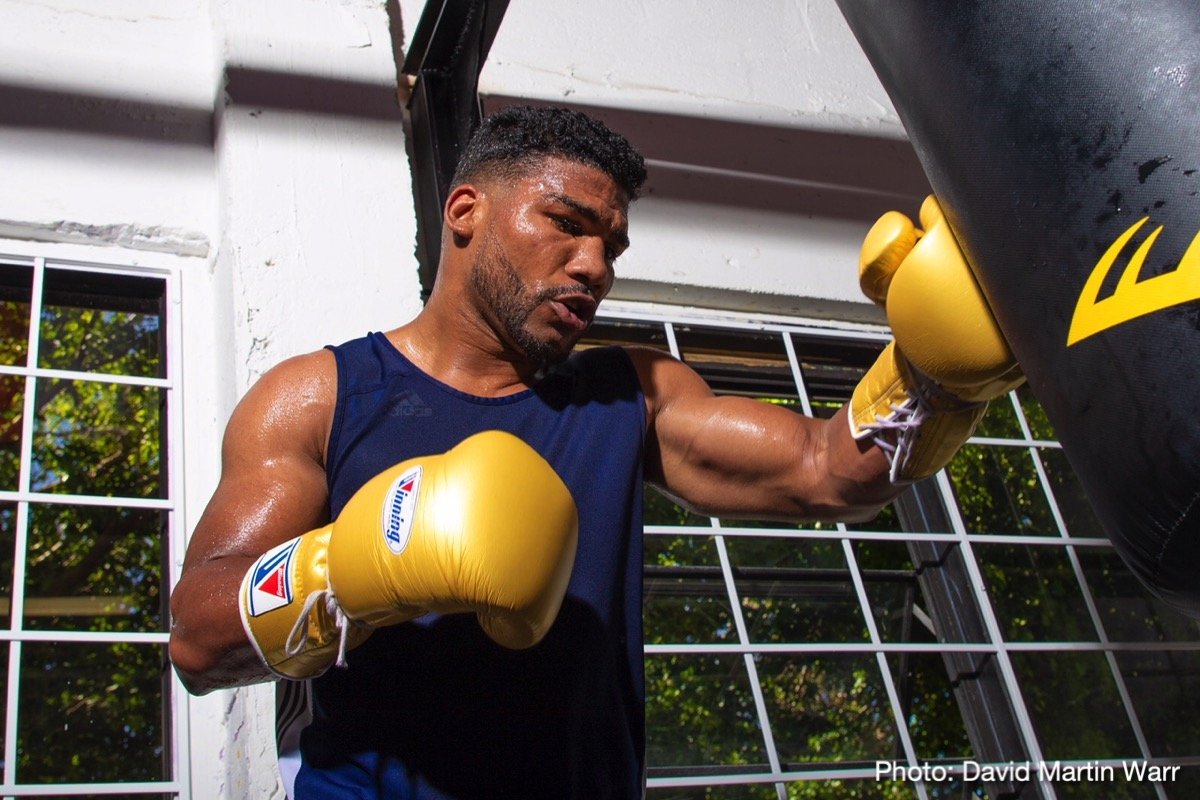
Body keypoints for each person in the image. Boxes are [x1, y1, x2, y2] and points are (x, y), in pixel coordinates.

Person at [169, 105, 1017, 798]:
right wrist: (352, 566)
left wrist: (934, 376)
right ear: (467, 212)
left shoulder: (629, 394)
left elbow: (828, 473)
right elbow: (199, 643)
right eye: (567, 226)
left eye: (609, 247)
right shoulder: (320, 397)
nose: (594, 267)